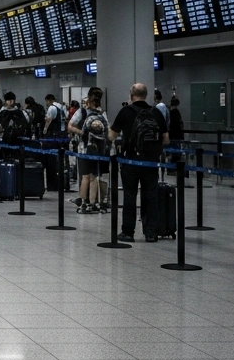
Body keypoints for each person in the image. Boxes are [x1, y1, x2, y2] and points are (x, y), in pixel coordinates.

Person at [109, 83, 168, 242]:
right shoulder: (156, 112)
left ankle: (128, 232)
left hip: (131, 160)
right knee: (151, 196)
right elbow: (166, 139)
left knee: (130, 195)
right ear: (146, 95)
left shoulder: (126, 111)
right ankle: (151, 233)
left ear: (131, 95)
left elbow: (111, 135)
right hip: (151, 162)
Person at [70, 89, 109, 214]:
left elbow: (70, 126)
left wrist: (82, 133)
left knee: (85, 177)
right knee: (94, 177)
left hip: (85, 148)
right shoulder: (101, 113)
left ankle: (84, 203)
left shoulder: (82, 112)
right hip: (98, 149)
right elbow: (107, 130)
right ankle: (94, 203)